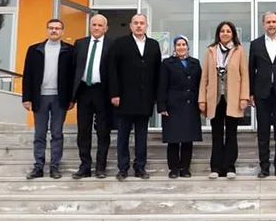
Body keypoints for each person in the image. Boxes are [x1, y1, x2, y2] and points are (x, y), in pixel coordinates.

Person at [108, 14, 161, 181]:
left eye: (142, 23)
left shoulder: (153, 45)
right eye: (136, 23)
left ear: (146, 26)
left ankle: (140, 167)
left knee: (141, 136)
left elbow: (157, 72)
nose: (139, 26)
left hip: (145, 99)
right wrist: (114, 94)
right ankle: (123, 168)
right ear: (130, 26)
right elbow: (112, 70)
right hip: (124, 98)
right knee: (123, 136)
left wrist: (156, 96)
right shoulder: (120, 43)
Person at [21, 19, 74, 180]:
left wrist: (72, 98)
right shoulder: (35, 50)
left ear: (62, 31)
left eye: (57, 28)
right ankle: (38, 166)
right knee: (40, 134)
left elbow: (72, 76)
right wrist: (26, 97)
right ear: (47, 30)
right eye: (51, 28)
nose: (54, 31)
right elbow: (27, 75)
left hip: (60, 98)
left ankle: (54, 167)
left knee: (57, 133)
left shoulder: (69, 50)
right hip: (40, 97)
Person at [199, 21, 249, 179]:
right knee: (217, 134)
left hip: (232, 98)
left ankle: (229, 167)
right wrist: (202, 99)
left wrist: (244, 97)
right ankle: (215, 167)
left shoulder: (239, 50)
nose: (225, 33)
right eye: (222, 31)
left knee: (231, 134)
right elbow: (204, 77)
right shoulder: (211, 51)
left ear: (233, 34)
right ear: (218, 34)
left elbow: (245, 75)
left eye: (228, 31)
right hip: (215, 99)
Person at [249, 12, 276, 178]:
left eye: (274, 21)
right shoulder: (256, 44)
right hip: (262, 94)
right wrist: (251, 93)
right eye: (268, 22)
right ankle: (264, 167)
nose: (271, 25)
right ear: (263, 25)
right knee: (263, 133)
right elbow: (251, 70)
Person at [71, 14, 113, 179]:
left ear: (106, 28)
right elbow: (73, 69)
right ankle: (85, 166)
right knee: (83, 130)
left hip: (103, 91)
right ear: (90, 26)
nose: (96, 28)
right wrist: (71, 96)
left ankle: (100, 167)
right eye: (94, 25)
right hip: (84, 91)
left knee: (103, 131)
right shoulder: (80, 44)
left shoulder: (112, 44)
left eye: (100, 25)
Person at [157, 35, 203, 179]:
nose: (181, 47)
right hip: (173, 105)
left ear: (188, 47)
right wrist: (162, 105)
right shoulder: (167, 63)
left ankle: (185, 168)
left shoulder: (195, 63)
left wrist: (202, 102)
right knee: (174, 138)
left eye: (184, 44)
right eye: (178, 45)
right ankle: (174, 168)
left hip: (191, 104)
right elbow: (162, 85)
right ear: (174, 48)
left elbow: (200, 84)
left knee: (188, 139)